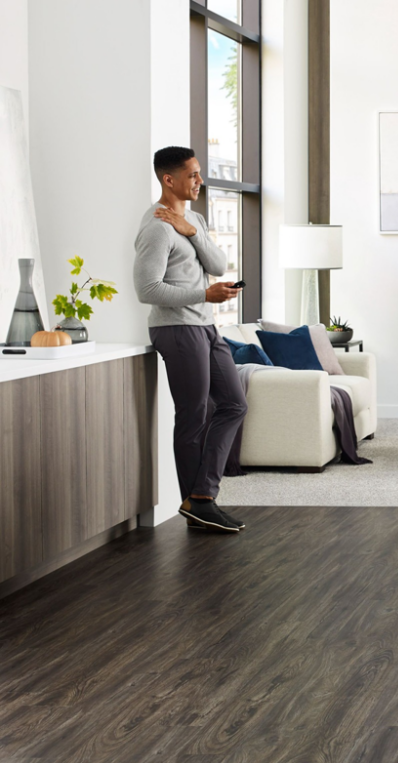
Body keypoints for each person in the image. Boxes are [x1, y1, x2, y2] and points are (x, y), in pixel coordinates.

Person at [134, 146, 248, 534]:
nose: (200, 180)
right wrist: (204, 295)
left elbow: (217, 264)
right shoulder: (155, 227)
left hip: (205, 327)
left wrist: (193, 231)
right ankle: (199, 502)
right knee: (194, 415)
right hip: (177, 329)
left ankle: (201, 497)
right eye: (193, 175)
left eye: (199, 173)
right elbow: (147, 289)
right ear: (169, 180)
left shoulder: (193, 218)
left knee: (234, 403)